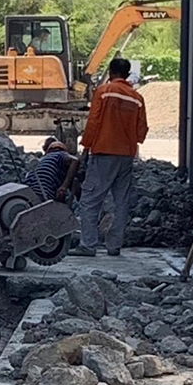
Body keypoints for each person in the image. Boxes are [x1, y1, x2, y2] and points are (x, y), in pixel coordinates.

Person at [68, 57, 148, 257]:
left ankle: (88, 244)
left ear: (111, 72)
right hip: (126, 155)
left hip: (103, 152)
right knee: (121, 201)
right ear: (127, 74)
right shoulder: (137, 98)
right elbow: (141, 132)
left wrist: (86, 146)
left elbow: (94, 121)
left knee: (90, 199)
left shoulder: (103, 92)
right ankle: (114, 246)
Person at [24, 138, 80, 203]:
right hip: (44, 194)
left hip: (26, 194)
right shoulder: (60, 154)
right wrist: (64, 187)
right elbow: (75, 161)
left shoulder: (41, 160)